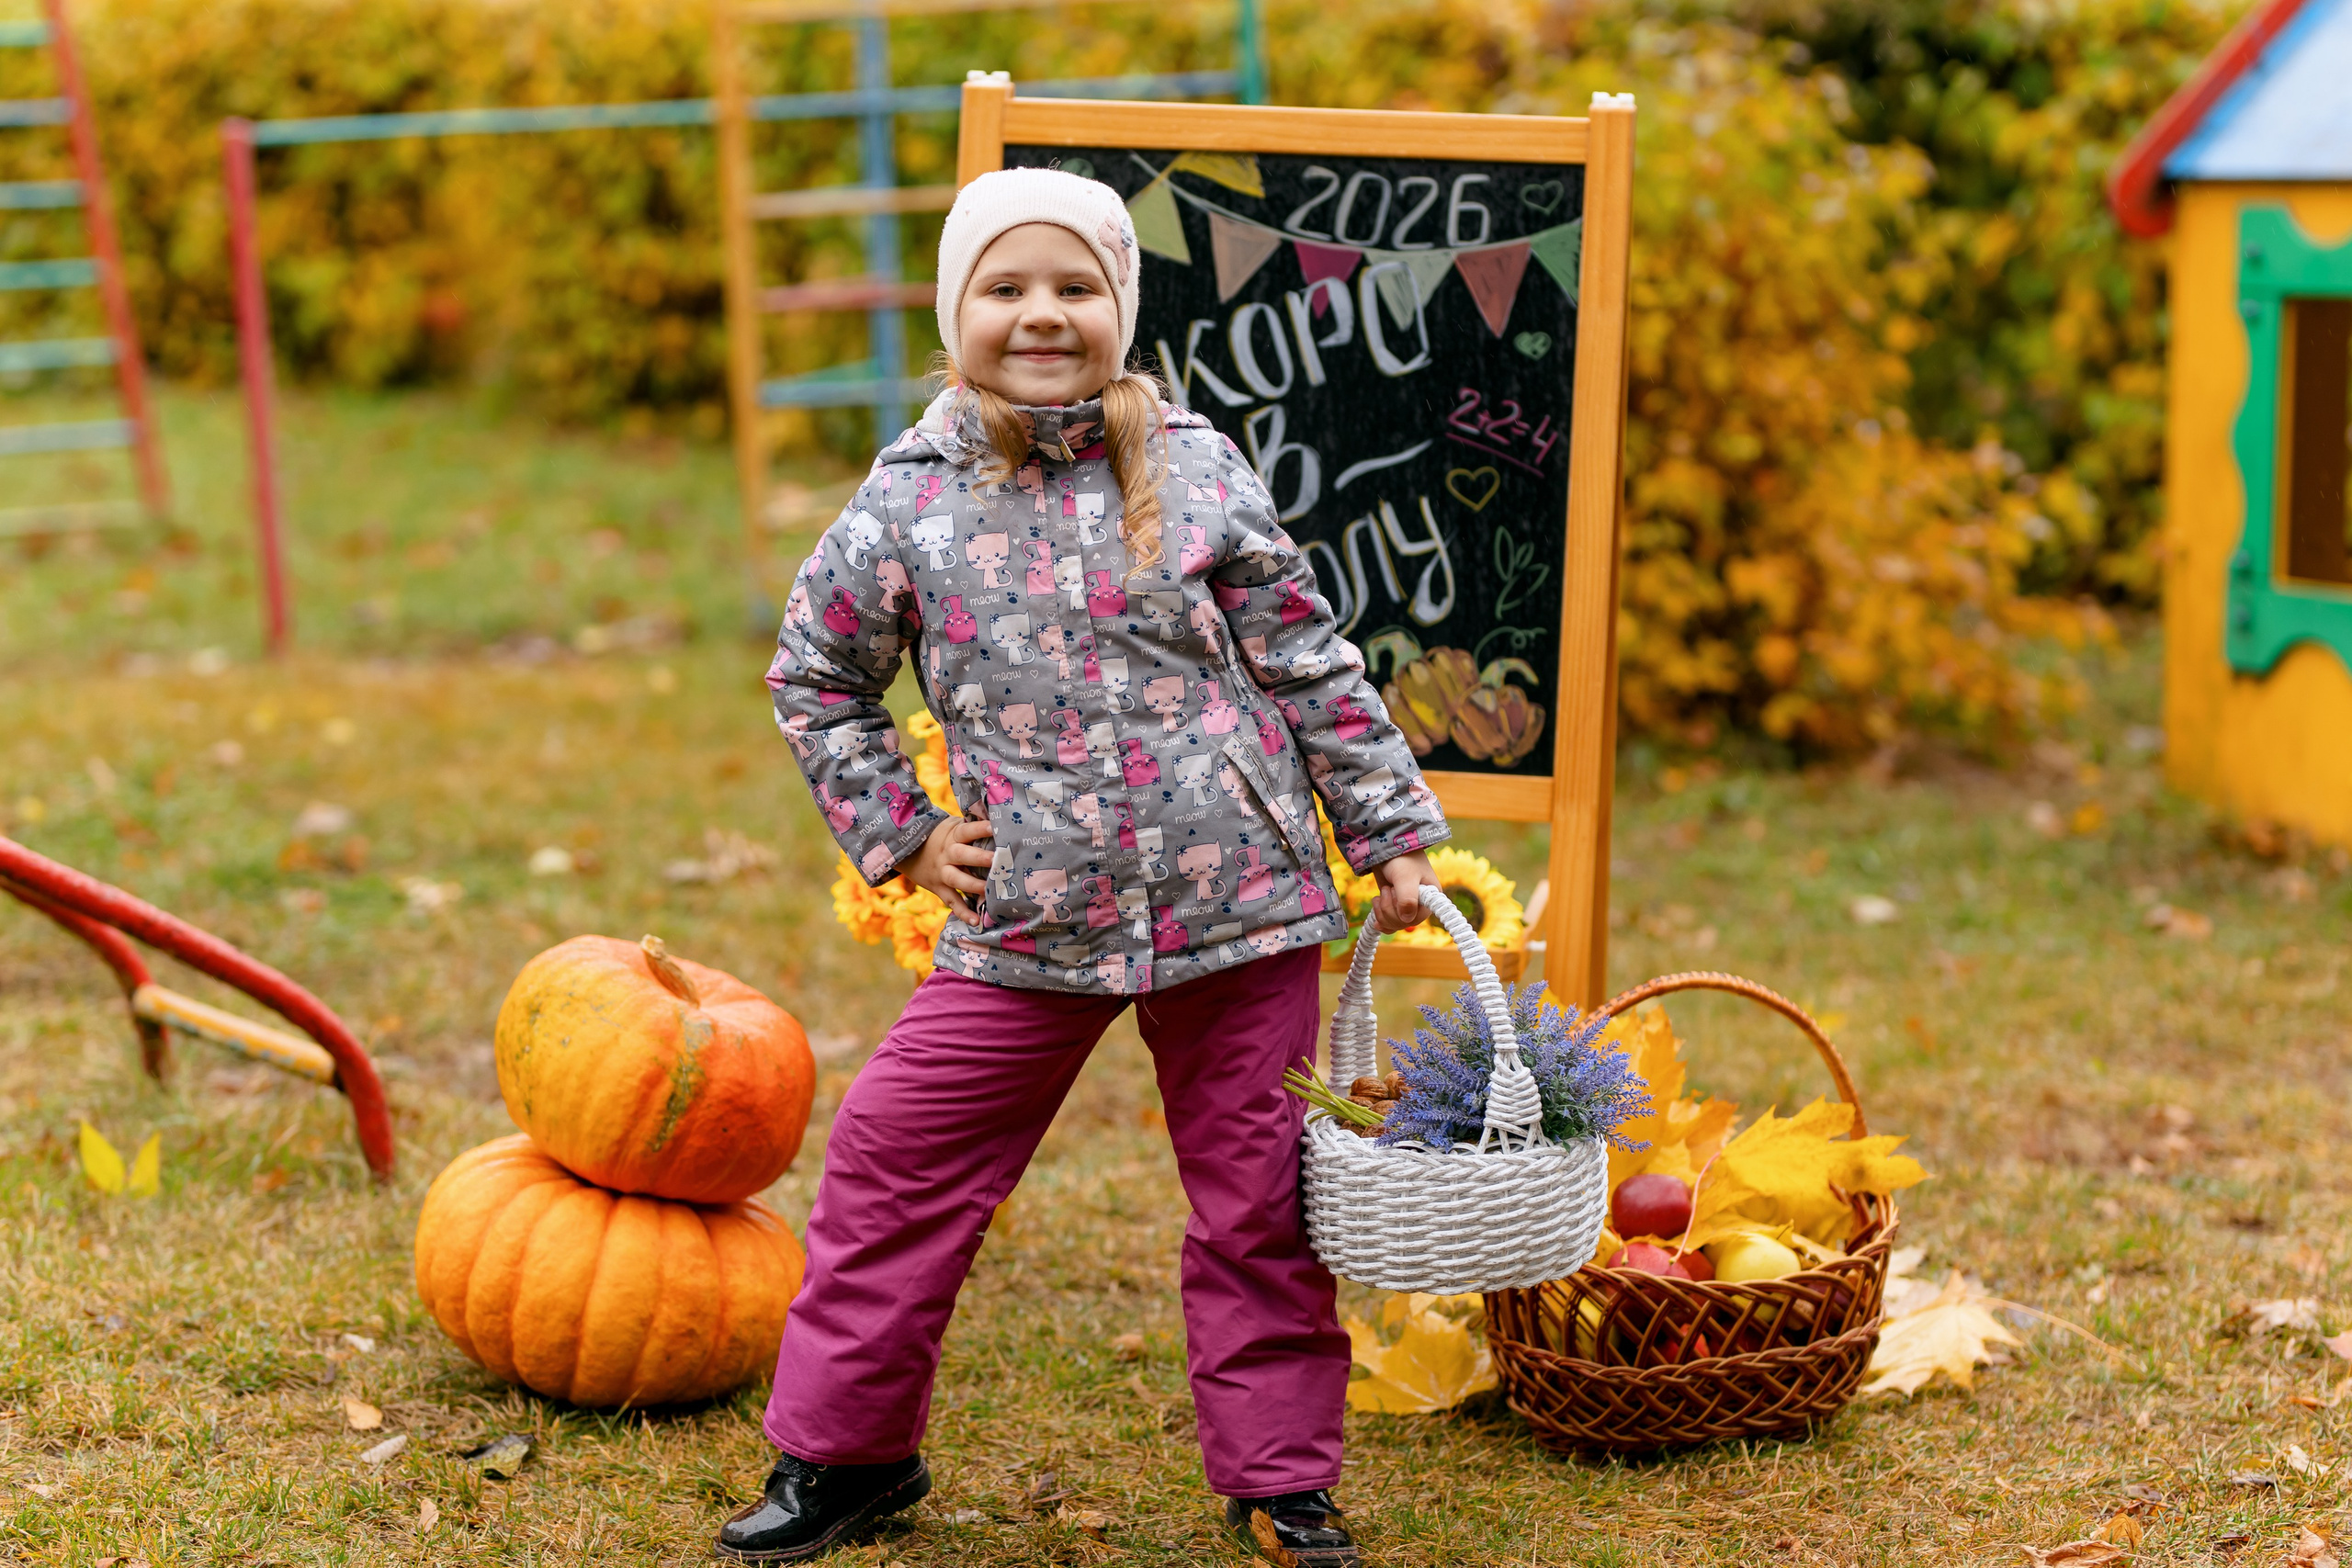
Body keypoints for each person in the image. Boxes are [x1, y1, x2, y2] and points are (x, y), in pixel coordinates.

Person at [725, 166, 1449, 1566]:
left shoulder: (1195, 466)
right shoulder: (909, 500)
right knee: (892, 1158)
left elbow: (1306, 657)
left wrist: (1393, 834)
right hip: (1029, 918)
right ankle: (848, 1457)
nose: (1041, 314)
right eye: (1006, 288)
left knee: (1259, 1199)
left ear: (1122, 305)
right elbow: (816, 674)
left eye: (1075, 287)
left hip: (1236, 904)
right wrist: (907, 836)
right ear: (958, 315)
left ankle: (1281, 1484)